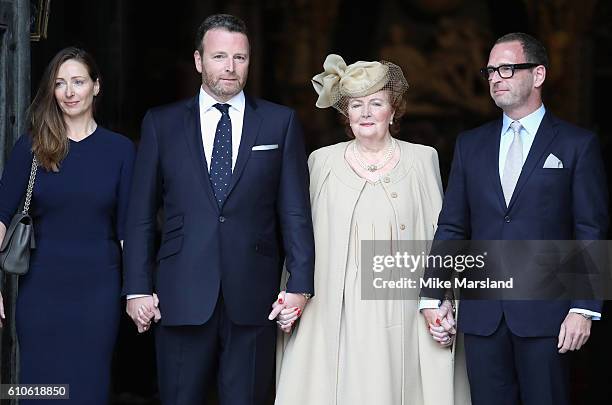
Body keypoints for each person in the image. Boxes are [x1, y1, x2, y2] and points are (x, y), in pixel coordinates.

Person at [122, 14, 315, 405]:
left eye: (240, 58)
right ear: (198, 60)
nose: (230, 67)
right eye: (219, 56)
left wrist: (300, 285)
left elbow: (295, 211)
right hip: (180, 291)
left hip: (255, 294)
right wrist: (137, 288)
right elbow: (140, 215)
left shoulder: (280, 123)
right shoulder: (162, 124)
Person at [420, 32, 607, 405]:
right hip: (482, 316)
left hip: (548, 316)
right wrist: (432, 294)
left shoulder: (576, 144)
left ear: (538, 75)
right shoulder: (470, 144)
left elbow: (589, 230)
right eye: (490, 71)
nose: (495, 78)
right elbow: (453, 225)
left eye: (506, 68)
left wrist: (583, 308)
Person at [273, 54, 471, 405]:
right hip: (336, 307)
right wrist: (294, 292)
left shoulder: (423, 159)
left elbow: (441, 236)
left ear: (393, 111)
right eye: (356, 105)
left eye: (376, 103)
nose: (365, 113)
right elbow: (301, 237)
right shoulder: (321, 161)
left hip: (402, 305)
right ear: (346, 115)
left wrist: (442, 299)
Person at [0, 47, 135, 404]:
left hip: (98, 294)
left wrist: (138, 290)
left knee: (88, 390)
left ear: (96, 86)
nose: (69, 92)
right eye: (60, 84)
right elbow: (0, 217)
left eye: (78, 81)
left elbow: (128, 231)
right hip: (41, 293)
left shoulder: (120, 151)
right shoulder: (30, 146)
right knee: (40, 393)